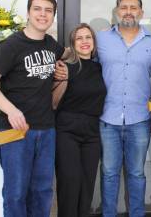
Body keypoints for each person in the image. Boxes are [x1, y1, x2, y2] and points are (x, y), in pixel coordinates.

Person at [0, 0, 63, 217]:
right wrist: (11, 110)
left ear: (53, 16)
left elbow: (68, 57)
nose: (42, 15)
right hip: (16, 131)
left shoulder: (51, 45)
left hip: (46, 129)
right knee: (15, 194)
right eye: (37, 9)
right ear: (28, 12)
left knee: (43, 191)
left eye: (48, 11)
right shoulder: (11, 46)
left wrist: (67, 66)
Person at [96, 0, 151, 217]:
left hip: (139, 119)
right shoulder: (101, 40)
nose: (128, 11)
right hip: (107, 117)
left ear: (141, 13)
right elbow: (87, 72)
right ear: (116, 12)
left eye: (133, 7)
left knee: (136, 173)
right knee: (108, 173)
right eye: (124, 7)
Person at [53, 23, 106, 217]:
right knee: (70, 184)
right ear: (73, 44)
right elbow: (53, 101)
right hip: (67, 130)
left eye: (88, 37)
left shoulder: (100, 68)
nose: (84, 42)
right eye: (79, 38)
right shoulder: (65, 67)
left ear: (94, 42)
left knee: (87, 186)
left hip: (92, 132)